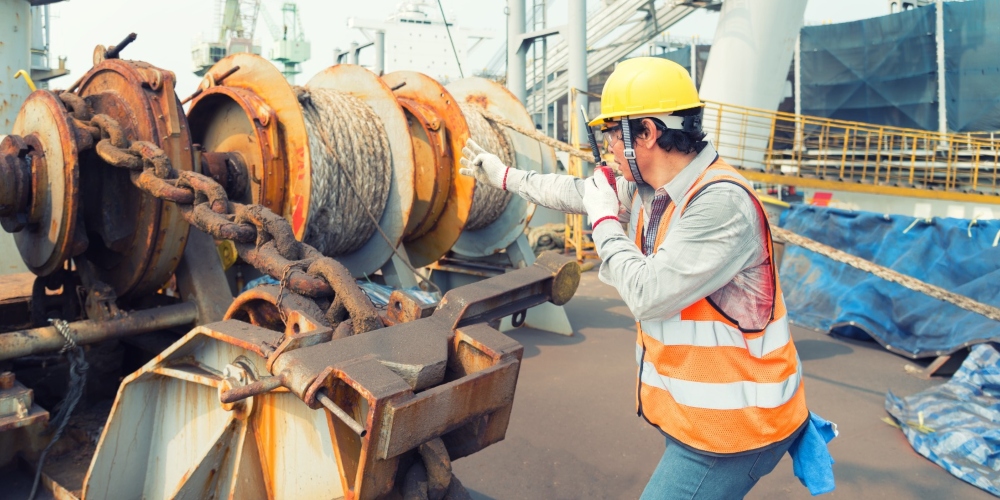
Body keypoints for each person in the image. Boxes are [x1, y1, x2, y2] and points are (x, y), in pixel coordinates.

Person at [459, 57, 834, 499]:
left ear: (648, 133)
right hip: (701, 421)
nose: (610, 148)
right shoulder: (650, 190)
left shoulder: (719, 204)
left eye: (614, 134)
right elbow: (571, 191)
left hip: (734, 432)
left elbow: (646, 294)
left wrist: (603, 221)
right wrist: (500, 174)